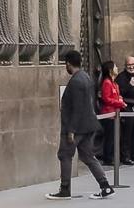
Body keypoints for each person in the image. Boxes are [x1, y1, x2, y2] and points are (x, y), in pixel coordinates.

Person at [47, 50, 113, 199]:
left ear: (68, 64)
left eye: (66, 64)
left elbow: (77, 108)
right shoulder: (86, 77)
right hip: (88, 124)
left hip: (76, 127)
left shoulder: (76, 81)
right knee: (88, 156)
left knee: (65, 155)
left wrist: (71, 130)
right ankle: (105, 186)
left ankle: (65, 189)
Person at [96, 60, 126, 165]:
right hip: (108, 114)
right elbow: (107, 99)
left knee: (114, 136)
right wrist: (119, 103)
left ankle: (112, 156)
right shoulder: (107, 83)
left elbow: (117, 96)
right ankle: (107, 158)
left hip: (115, 114)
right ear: (110, 70)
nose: (117, 68)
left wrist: (120, 100)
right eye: (115, 67)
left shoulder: (114, 83)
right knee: (109, 137)